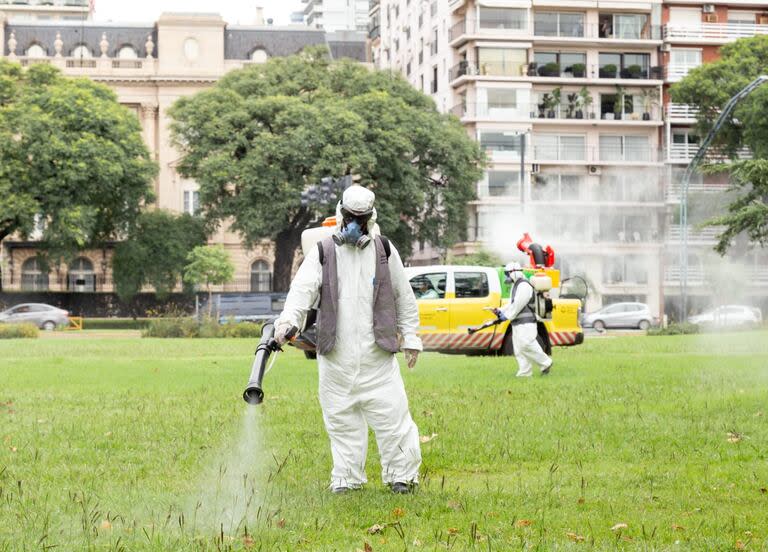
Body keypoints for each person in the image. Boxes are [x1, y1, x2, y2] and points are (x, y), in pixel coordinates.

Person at [275, 185, 423, 495]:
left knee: (393, 418)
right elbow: (302, 291)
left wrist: (411, 337)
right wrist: (289, 321)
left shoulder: (384, 249)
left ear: (371, 218)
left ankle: (402, 477)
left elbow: (403, 296)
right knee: (341, 423)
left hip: (377, 356)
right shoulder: (323, 250)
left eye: (361, 218)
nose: (355, 224)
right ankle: (346, 479)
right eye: (350, 217)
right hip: (335, 357)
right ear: (340, 214)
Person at [495, 261, 553, 377]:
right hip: (517, 322)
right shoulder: (516, 285)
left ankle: (546, 362)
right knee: (519, 350)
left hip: (526, 323)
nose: (507, 277)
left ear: (514, 273)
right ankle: (524, 373)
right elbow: (512, 303)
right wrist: (500, 310)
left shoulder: (524, 285)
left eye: (507, 274)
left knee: (527, 344)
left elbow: (518, 304)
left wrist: (507, 316)